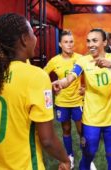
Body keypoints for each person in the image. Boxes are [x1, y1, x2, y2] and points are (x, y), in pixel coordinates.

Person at [0, 13, 70, 170]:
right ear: (23, 39)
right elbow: (47, 140)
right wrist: (65, 160)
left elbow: (14, 100)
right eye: (33, 33)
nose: (35, 39)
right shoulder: (35, 76)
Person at [53, 28, 111, 170]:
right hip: (91, 119)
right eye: (88, 41)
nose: (90, 44)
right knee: (88, 154)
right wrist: (61, 83)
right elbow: (71, 77)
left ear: (104, 42)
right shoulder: (83, 61)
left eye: (95, 40)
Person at [44, 30, 88, 169]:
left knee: (82, 131)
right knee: (66, 130)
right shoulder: (54, 61)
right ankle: (70, 156)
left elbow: (91, 75)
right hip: (62, 103)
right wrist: (51, 86)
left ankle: (87, 160)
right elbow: (42, 77)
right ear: (60, 44)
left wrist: (85, 87)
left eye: (71, 42)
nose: (69, 45)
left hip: (77, 102)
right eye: (66, 42)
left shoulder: (81, 58)